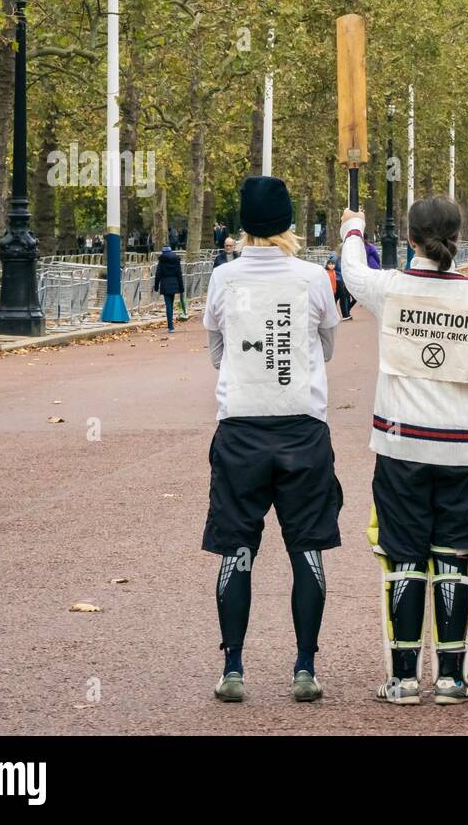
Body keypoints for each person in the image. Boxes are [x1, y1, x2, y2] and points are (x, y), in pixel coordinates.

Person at [340, 197, 468, 706]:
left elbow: (352, 273)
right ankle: (451, 677)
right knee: (455, 560)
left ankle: (402, 678)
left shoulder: (392, 289)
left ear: (412, 239)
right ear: (457, 237)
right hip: (463, 451)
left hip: (401, 447)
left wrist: (355, 228)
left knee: (403, 557)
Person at [201, 175, 343, 704]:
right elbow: (326, 347)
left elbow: (217, 352)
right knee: (307, 551)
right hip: (302, 428)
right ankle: (304, 666)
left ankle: (233, 667)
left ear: (244, 223)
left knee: (236, 551)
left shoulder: (223, 278)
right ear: (288, 222)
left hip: (240, 427)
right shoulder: (312, 278)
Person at [153, 245, 184, 332]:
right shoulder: (176, 260)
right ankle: (171, 325)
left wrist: (156, 286)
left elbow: (158, 274)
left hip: (165, 284)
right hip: (174, 284)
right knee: (171, 304)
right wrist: (181, 288)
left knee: (168, 305)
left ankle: (170, 326)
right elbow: (179, 274)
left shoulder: (162, 261)